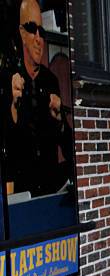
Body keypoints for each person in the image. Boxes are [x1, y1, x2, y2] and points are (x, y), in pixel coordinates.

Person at [4, 0, 73, 197]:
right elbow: (9, 149)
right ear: (21, 33)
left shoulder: (51, 80)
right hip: (22, 195)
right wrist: (13, 108)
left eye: (41, 32)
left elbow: (69, 151)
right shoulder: (10, 80)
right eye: (31, 28)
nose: (38, 38)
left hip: (51, 192)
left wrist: (60, 121)